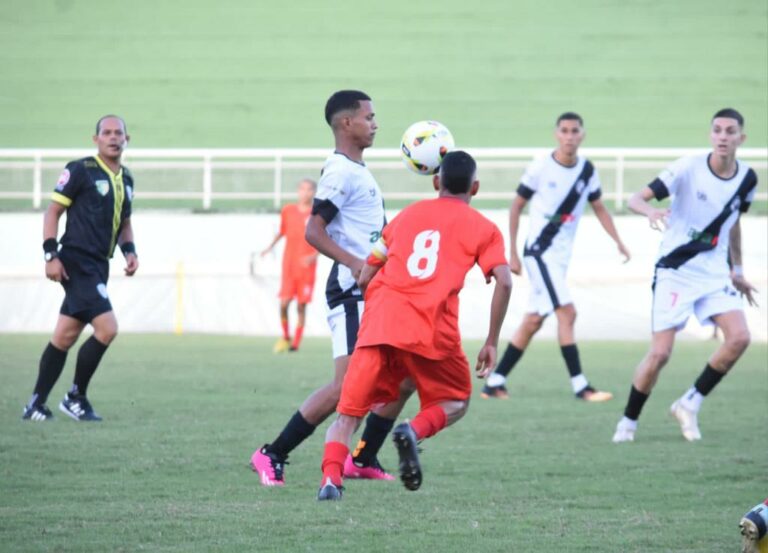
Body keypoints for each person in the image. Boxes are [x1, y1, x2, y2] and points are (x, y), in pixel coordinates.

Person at [317, 150, 513, 500]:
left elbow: (366, 271)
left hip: (381, 325)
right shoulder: (484, 228)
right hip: (432, 328)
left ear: (436, 182)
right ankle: (413, 429)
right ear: (476, 187)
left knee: (347, 416)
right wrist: (492, 341)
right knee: (456, 401)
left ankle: (331, 481)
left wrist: (375, 304)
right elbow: (505, 281)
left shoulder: (406, 217)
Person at [251, 90, 411, 486]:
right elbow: (313, 230)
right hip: (352, 290)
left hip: (376, 291)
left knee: (404, 375)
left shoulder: (358, 171)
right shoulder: (340, 172)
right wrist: (357, 263)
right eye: (369, 117)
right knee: (347, 388)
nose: (375, 123)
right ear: (346, 123)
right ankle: (272, 453)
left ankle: (364, 455)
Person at [612, 108, 758, 443]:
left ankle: (689, 403)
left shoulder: (747, 179)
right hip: (675, 271)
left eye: (730, 131)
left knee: (739, 338)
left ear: (741, 138)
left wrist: (737, 270)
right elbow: (636, 198)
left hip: (714, 273)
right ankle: (628, 423)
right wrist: (651, 211)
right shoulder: (688, 167)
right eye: (717, 130)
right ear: (711, 135)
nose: (723, 136)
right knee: (660, 354)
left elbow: (733, 222)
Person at [482, 112, 630, 401]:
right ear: (556, 134)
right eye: (564, 131)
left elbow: (599, 207)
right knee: (568, 312)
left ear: (582, 135)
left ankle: (495, 381)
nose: (569, 136)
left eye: (575, 131)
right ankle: (580, 386)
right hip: (539, 253)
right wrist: (512, 252)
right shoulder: (541, 167)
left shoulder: (587, 171)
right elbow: (515, 207)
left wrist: (618, 242)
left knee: (534, 319)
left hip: (559, 259)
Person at [22, 115, 138, 422]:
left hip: (99, 266)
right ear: (96, 139)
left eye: (119, 133)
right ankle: (75, 397)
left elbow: (124, 222)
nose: (113, 137)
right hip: (76, 261)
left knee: (64, 336)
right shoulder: (80, 170)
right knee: (107, 328)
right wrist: (51, 254)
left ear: (128, 139)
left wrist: (130, 251)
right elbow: (53, 211)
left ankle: (35, 404)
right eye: (107, 133)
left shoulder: (126, 179)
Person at [261, 178, 318, 353]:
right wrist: (268, 248)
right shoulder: (288, 210)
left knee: (301, 306)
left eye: (309, 190)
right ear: (298, 191)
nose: (305, 193)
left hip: (306, 268)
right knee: (284, 303)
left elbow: (327, 238)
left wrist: (313, 256)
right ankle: (286, 336)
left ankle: (296, 343)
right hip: (289, 266)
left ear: (314, 192)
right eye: (302, 189)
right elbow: (282, 231)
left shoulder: (316, 214)